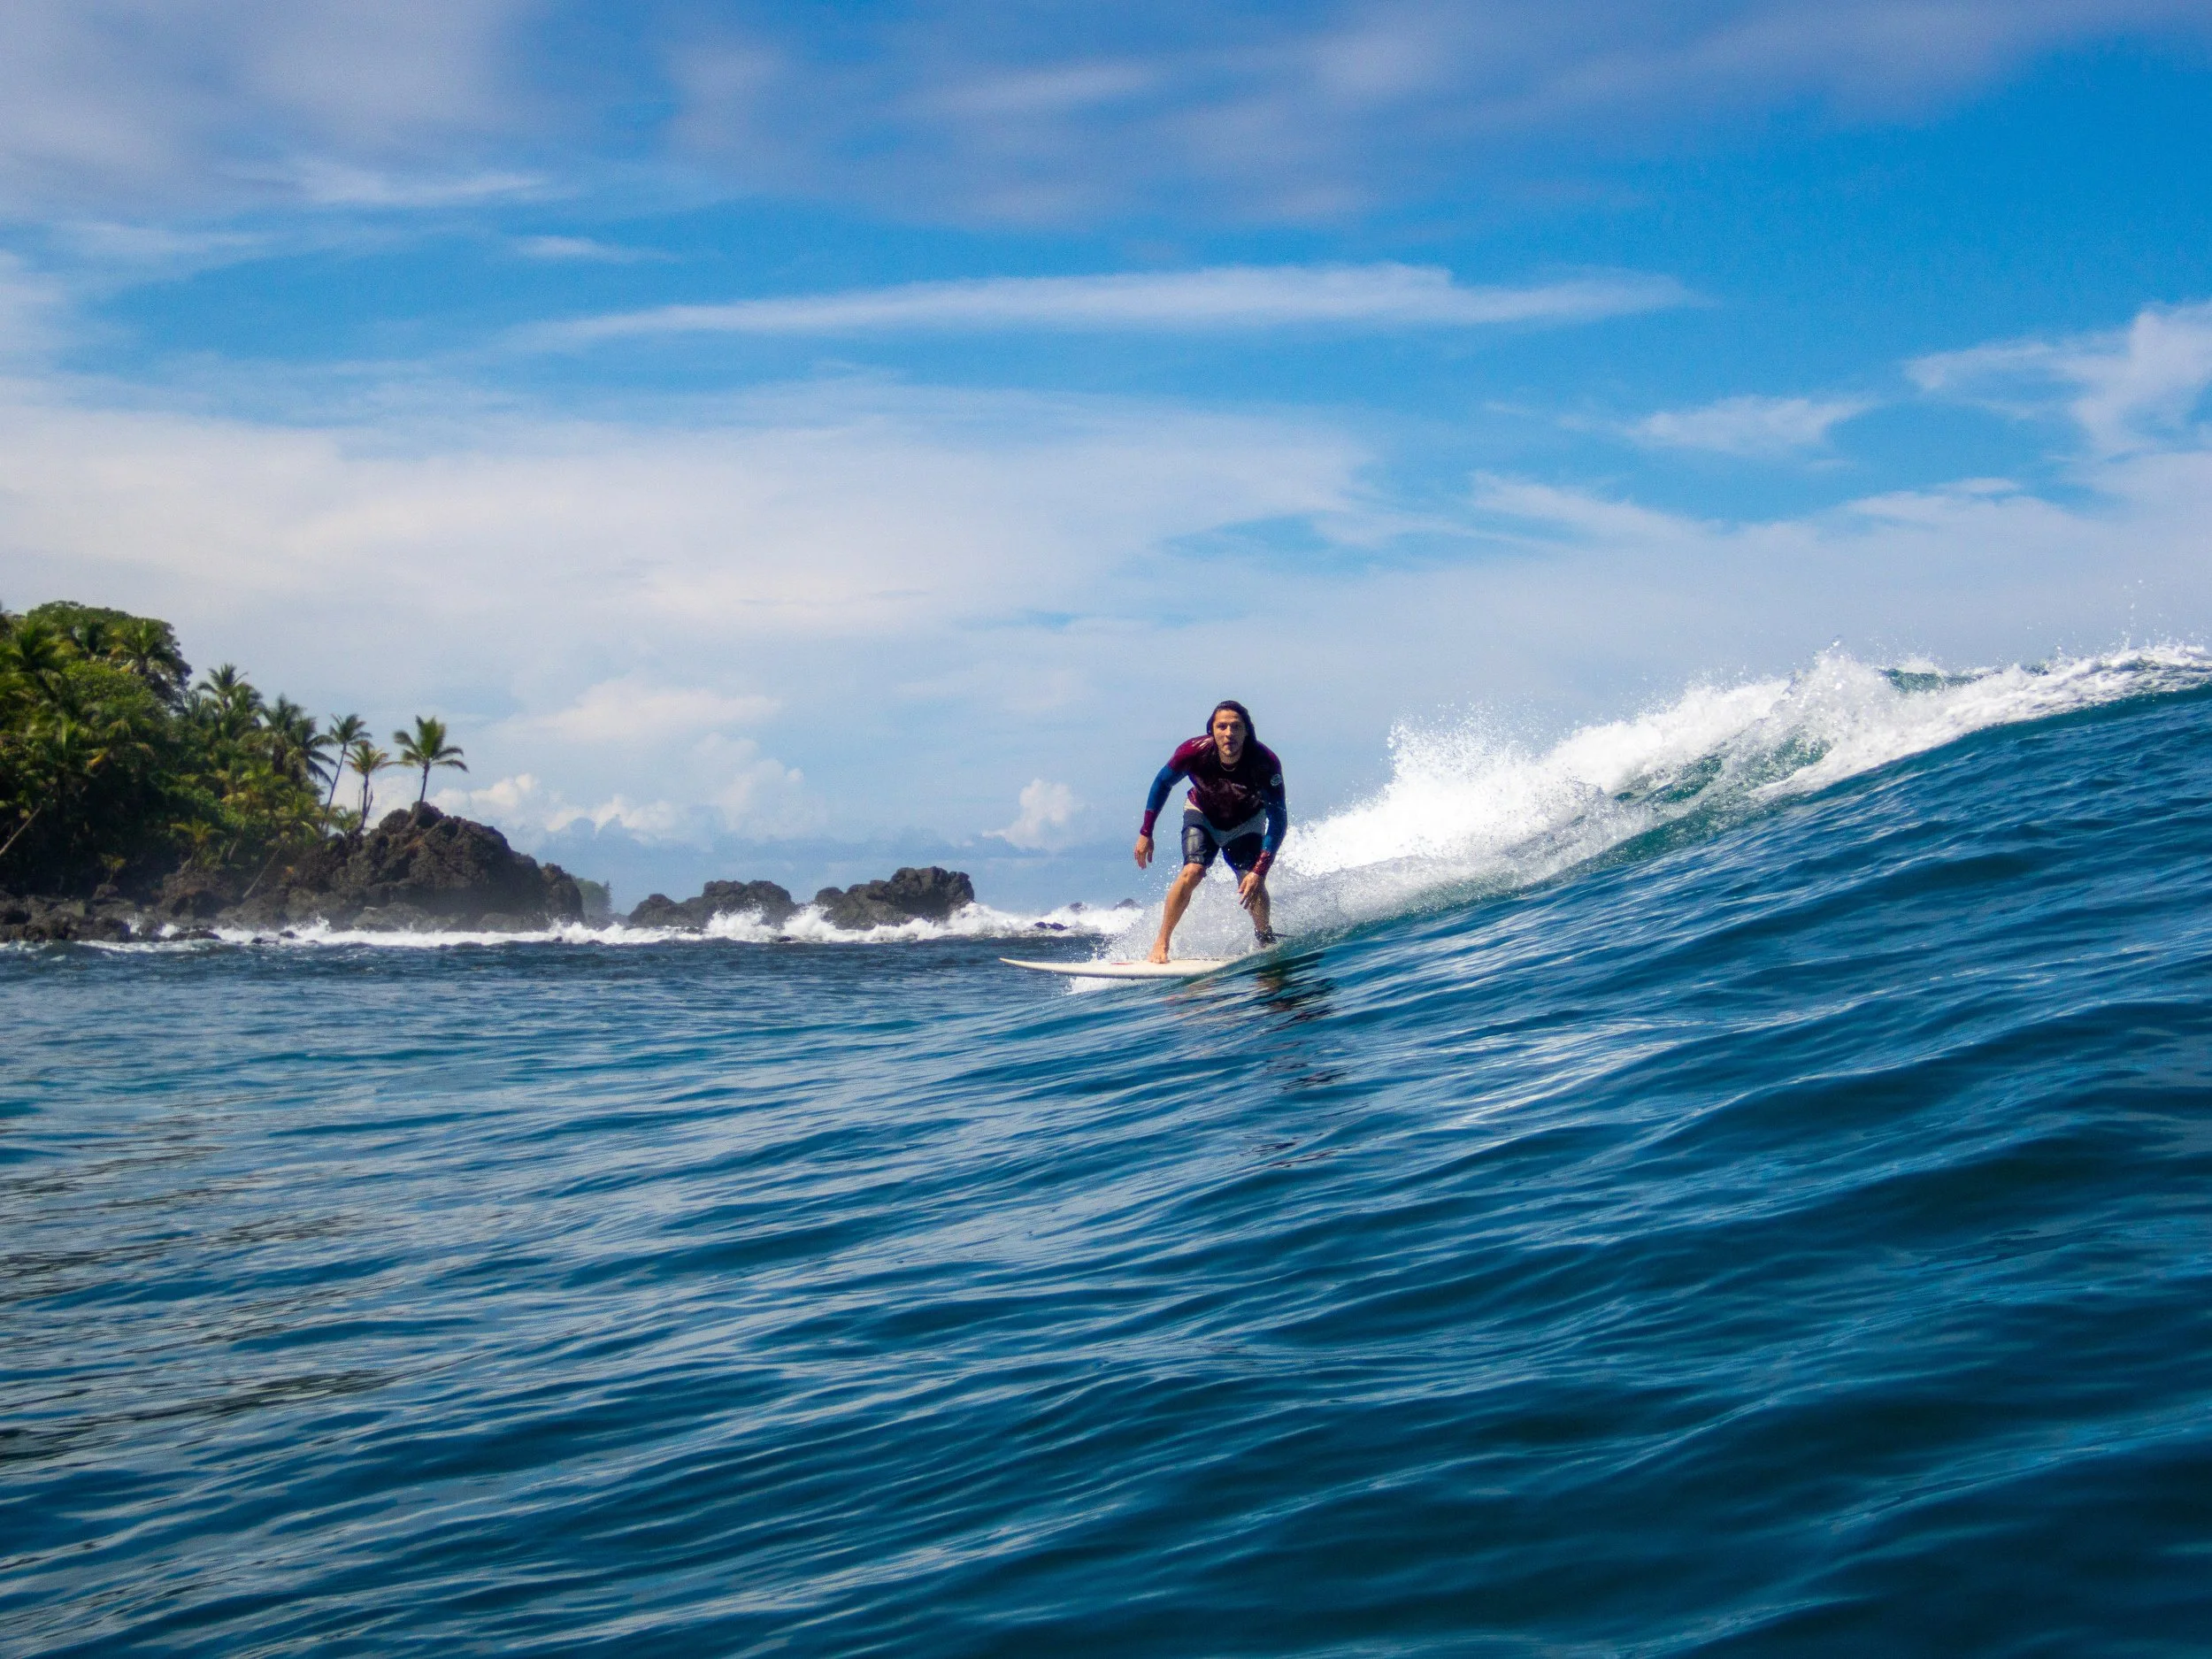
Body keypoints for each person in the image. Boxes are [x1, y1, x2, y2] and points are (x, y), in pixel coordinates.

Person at [1133, 699, 1287, 963]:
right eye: (1222, 726)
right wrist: (1146, 832)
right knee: (1192, 871)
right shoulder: (1192, 752)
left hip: (1247, 822)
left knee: (1250, 880)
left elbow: (1278, 819)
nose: (1229, 733)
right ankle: (1161, 942)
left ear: (1247, 731)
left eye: (1236, 727)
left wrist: (1260, 871)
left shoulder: (1265, 763)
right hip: (1202, 814)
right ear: (1212, 731)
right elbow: (1161, 783)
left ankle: (1264, 936)